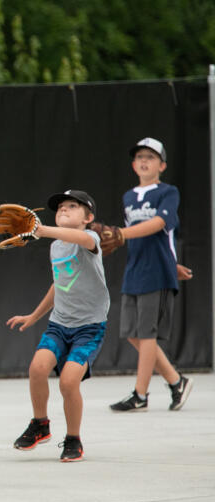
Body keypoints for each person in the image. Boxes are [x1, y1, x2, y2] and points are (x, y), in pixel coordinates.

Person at [7, 190, 109, 462]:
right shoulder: (56, 246)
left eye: (72, 206)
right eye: (60, 207)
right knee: (37, 368)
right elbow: (60, 284)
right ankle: (40, 424)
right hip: (59, 325)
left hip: (89, 328)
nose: (63, 209)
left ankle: (73, 438)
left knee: (68, 382)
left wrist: (43, 230)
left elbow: (81, 238)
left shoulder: (90, 239)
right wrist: (33, 316)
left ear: (88, 218)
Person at [109, 138, 194, 412]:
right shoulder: (128, 197)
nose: (144, 161)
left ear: (162, 164)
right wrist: (122, 235)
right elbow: (136, 236)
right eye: (140, 157)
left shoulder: (168, 192)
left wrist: (121, 234)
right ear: (134, 165)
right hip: (134, 269)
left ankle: (140, 395)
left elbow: (160, 225)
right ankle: (176, 381)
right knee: (132, 333)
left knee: (147, 334)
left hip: (156, 272)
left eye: (151, 156)